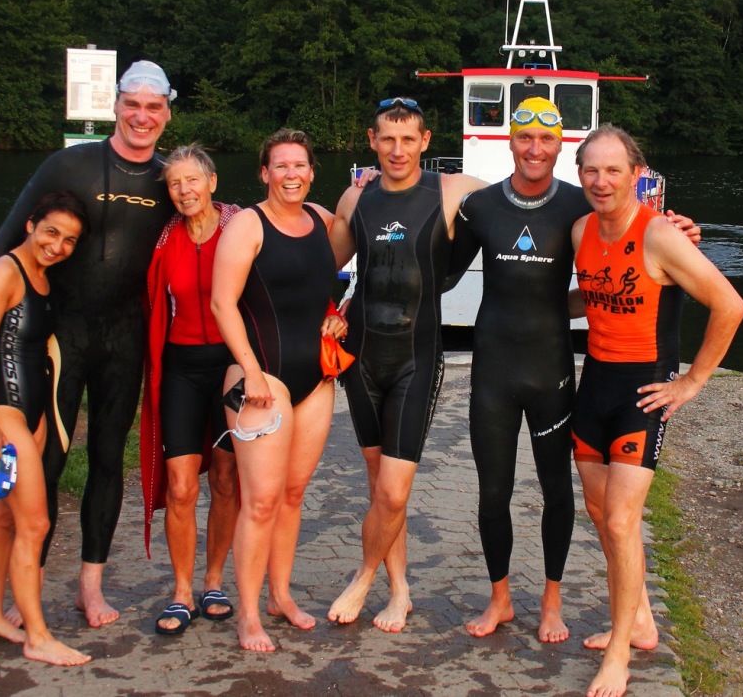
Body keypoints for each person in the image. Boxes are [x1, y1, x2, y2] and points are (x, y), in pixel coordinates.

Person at [451, 97, 700, 643]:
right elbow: (441, 275)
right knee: (493, 493)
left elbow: (629, 252)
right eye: (524, 137)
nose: (535, 148)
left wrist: (679, 232)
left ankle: (552, 601)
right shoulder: (481, 206)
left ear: (560, 145)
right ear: (509, 141)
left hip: (552, 371)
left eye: (546, 139)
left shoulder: (579, 209)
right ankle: (500, 601)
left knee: (557, 491)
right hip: (493, 369)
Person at [0, 60, 176, 627]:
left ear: (167, 111)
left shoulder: (169, 178)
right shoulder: (69, 163)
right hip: (62, 335)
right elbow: (4, 244)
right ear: (115, 105)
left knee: (109, 460)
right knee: (48, 459)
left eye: (154, 107)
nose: (142, 116)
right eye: (132, 104)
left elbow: (214, 228)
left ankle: (91, 585)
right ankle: (28, 586)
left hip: (126, 337)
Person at [568, 125, 743, 697]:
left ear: (636, 175)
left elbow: (730, 304)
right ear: (580, 175)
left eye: (613, 170)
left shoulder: (661, 236)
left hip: (642, 392)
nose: (601, 181)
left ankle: (619, 653)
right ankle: (640, 619)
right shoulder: (580, 230)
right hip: (592, 384)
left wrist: (691, 381)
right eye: (591, 170)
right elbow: (590, 294)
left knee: (621, 520)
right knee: (601, 514)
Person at [326, 98, 488, 633]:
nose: (397, 150)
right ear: (372, 141)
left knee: (394, 492)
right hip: (363, 358)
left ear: (425, 141)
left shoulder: (452, 190)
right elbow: (320, 263)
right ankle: (401, 592)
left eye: (408, 139)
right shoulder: (357, 196)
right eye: (387, 139)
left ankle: (364, 575)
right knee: (380, 489)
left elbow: (530, 205)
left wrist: (646, 217)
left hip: (416, 358)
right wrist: (330, 313)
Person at [211, 129, 348, 652]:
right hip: (259, 376)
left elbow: (336, 285)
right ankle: (248, 613)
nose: (292, 174)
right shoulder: (248, 224)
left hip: (315, 378)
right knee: (261, 501)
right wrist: (251, 371)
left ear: (312, 172)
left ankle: (280, 595)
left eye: (301, 165)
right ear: (264, 173)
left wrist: (341, 317)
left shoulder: (321, 220)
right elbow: (223, 304)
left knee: (293, 495)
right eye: (281, 166)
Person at [0, 191, 91, 665]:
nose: (57, 246)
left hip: (30, 414)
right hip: (4, 415)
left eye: (69, 240)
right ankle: (37, 635)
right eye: (51, 232)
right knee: (34, 523)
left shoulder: (41, 276)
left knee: (1, 520)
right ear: (30, 226)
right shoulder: (4, 274)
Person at [140, 144, 240, 635]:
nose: (184, 190)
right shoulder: (162, 239)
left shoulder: (238, 227)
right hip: (180, 368)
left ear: (212, 182)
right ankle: (181, 591)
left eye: (192, 180)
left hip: (228, 366)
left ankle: (214, 581)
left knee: (224, 479)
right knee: (181, 485)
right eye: (175, 183)